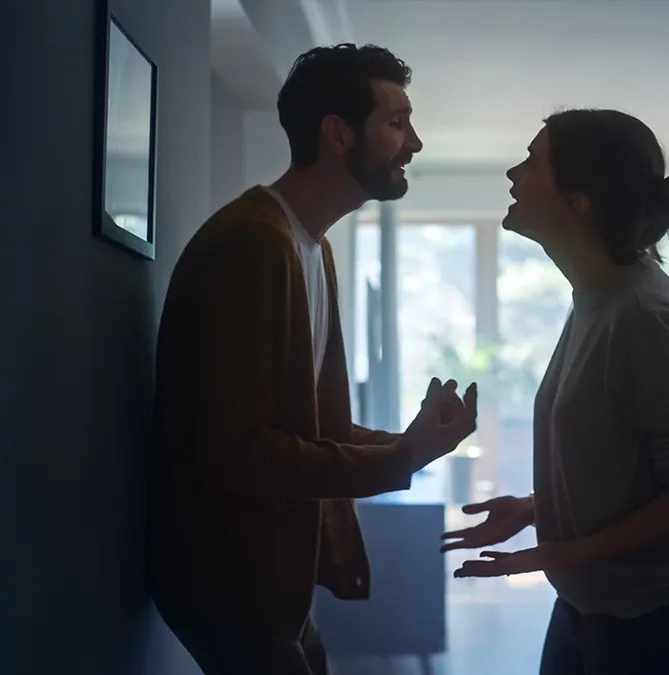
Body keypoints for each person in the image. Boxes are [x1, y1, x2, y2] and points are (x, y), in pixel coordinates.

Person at [148, 44, 477, 675]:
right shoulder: (252, 245)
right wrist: (402, 458)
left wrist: (410, 443)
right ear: (338, 133)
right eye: (397, 122)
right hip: (230, 582)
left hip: (272, 584)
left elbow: (308, 430)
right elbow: (239, 451)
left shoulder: (310, 248)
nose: (414, 143)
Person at [441, 109, 669, 674]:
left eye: (532, 163)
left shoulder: (646, 317)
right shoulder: (599, 297)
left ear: (580, 203)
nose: (513, 174)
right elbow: (629, 468)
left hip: (662, 622)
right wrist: (540, 510)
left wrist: (555, 551)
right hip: (598, 607)